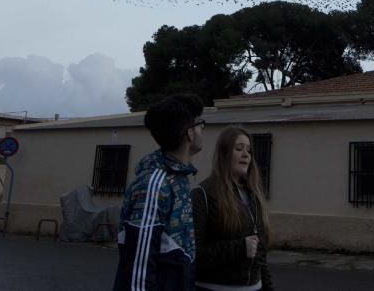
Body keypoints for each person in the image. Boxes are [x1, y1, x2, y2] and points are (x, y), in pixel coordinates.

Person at [114, 94, 206, 291]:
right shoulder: (154, 186)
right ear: (189, 133)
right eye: (200, 123)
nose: (202, 129)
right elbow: (138, 269)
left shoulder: (178, 178)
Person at [192, 126, 274, 291]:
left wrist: (268, 287)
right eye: (239, 148)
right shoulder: (202, 195)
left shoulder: (254, 195)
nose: (246, 155)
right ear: (224, 154)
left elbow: (260, 256)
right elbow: (195, 254)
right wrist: (240, 247)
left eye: (249, 150)